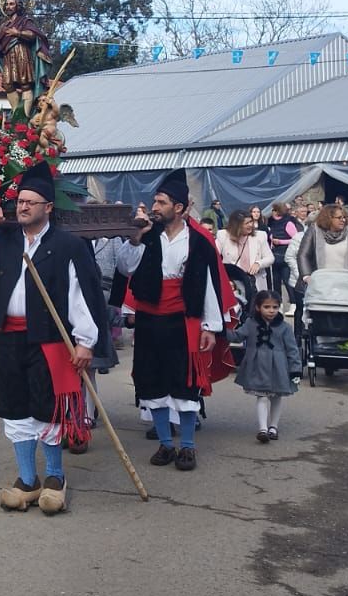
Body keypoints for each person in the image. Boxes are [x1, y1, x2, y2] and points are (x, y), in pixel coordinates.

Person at [0, 161, 105, 513]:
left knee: (48, 411)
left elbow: (81, 295)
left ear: (48, 208)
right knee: (15, 408)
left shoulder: (67, 245)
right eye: (20, 201)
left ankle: (55, 476)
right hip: (8, 339)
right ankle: (27, 479)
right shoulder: (4, 241)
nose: (22, 206)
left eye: (31, 202)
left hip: (49, 341)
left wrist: (86, 341)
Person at [115, 172, 229, 472]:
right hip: (151, 319)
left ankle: (187, 447)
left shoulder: (199, 242)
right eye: (155, 200)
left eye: (161, 202)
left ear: (178, 208)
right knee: (153, 380)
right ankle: (166, 444)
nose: (155, 205)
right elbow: (126, 267)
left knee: (184, 382)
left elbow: (207, 285)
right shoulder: (147, 235)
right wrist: (136, 236)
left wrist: (210, 327)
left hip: (183, 319)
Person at [235, 292, 299, 443]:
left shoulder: (285, 327)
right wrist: (221, 330)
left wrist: (295, 368)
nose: (271, 310)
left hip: (279, 367)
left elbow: (292, 349)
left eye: (275, 307)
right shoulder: (250, 323)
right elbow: (237, 336)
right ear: (258, 307)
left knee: (277, 397)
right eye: (267, 307)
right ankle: (263, 429)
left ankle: (273, 427)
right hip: (257, 365)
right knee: (262, 396)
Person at [0, 0, 49, 114]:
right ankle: (17, 113)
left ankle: (25, 115)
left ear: (18, 6)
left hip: (22, 54)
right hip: (8, 56)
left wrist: (18, 33)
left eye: (11, 4)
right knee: (7, 84)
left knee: (25, 84)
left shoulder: (25, 21)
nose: (8, 7)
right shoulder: (4, 26)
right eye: (7, 4)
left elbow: (33, 36)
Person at [296, 204, 348, 290]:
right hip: (318, 283)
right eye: (339, 218)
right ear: (329, 218)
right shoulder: (314, 231)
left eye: (344, 217)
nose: (343, 220)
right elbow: (303, 255)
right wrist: (307, 276)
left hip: (344, 284)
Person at [217, 209, 271, 294]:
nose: (250, 225)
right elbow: (214, 255)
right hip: (234, 281)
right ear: (237, 225)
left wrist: (259, 263)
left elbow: (270, 258)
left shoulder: (260, 235)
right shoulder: (223, 235)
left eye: (251, 222)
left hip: (255, 281)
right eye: (247, 223)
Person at [266, 202, 300, 303]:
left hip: (285, 255)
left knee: (286, 280)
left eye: (275, 210)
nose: (273, 212)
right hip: (275, 255)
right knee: (276, 281)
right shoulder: (271, 223)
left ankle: (293, 302)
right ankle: (278, 302)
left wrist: (281, 241)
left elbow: (296, 238)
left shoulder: (288, 223)